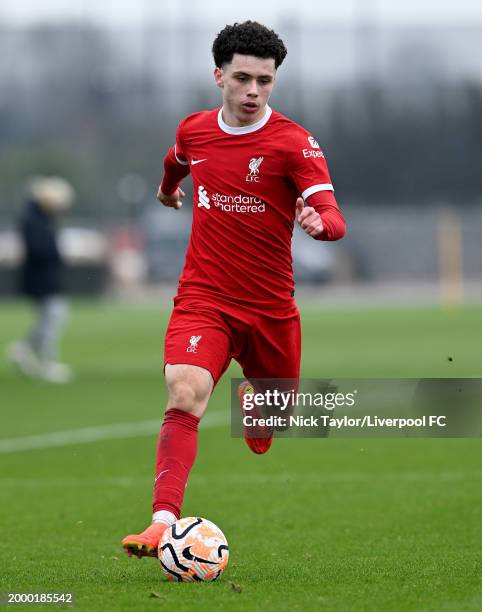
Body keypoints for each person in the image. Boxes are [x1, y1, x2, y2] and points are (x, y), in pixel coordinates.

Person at [122, 20, 346, 558]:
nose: (253, 91)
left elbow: (334, 217)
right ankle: (161, 521)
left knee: (271, 424)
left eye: (265, 81)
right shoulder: (196, 130)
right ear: (218, 75)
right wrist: (165, 191)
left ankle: (258, 403)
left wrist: (321, 225)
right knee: (183, 392)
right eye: (243, 78)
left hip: (271, 309)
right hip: (205, 299)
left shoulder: (294, 144)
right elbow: (174, 160)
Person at [7, 176, 74, 384]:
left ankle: (23, 350)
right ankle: (46, 363)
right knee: (52, 318)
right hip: (40, 278)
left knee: (50, 319)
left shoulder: (39, 218)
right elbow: (38, 249)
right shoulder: (33, 219)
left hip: (44, 277)